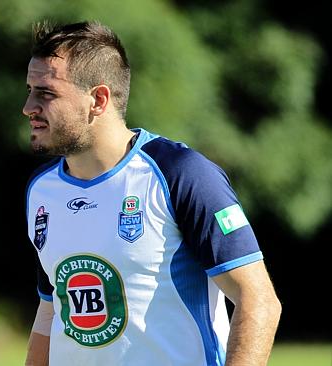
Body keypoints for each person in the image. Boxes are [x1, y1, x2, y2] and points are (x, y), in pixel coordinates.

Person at [22, 21, 281, 366]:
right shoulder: (42, 191)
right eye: (29, 90)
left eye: (47, 93)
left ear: (98, 100)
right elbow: (50, 310)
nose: (28, 107)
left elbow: (257, 298)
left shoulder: (181, 174)